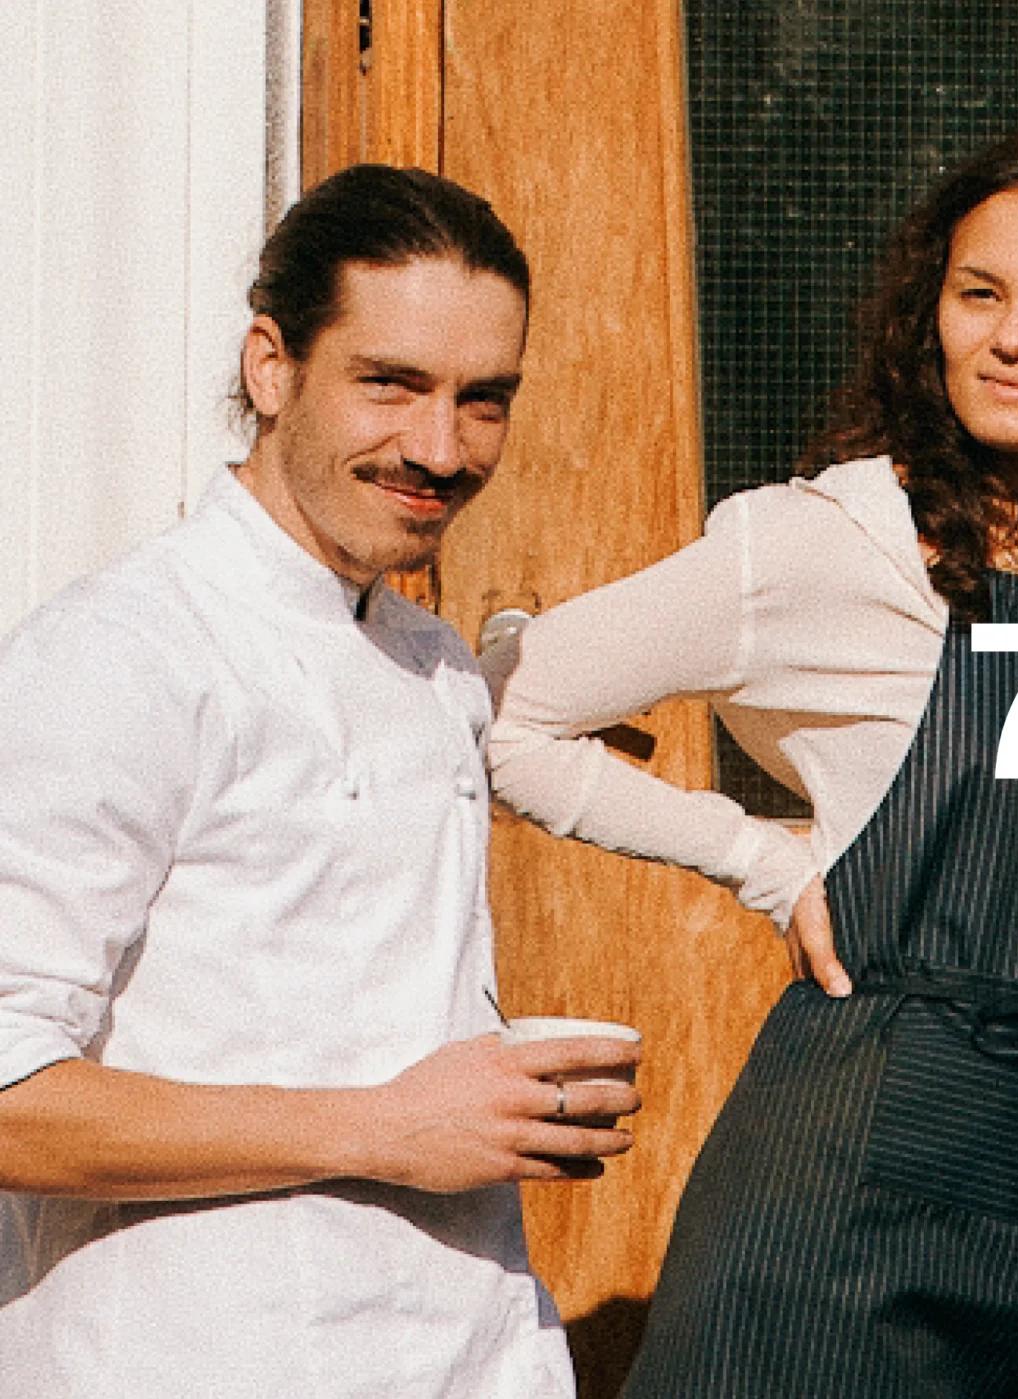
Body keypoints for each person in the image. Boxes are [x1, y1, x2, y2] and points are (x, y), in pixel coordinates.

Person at [486, 123, 1018, 1398]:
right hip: (827, 1222)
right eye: (978, 293)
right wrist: (761, 860)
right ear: (928, 313)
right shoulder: (825, 544)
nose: (1012, 337)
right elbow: (517, 712)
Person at [0, 164, 642, 1397]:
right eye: (390, 384)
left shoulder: (434, 665)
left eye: (483, 400)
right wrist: (384, 1126)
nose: (439, 449)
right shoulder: (123, 654)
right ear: (270, 366)